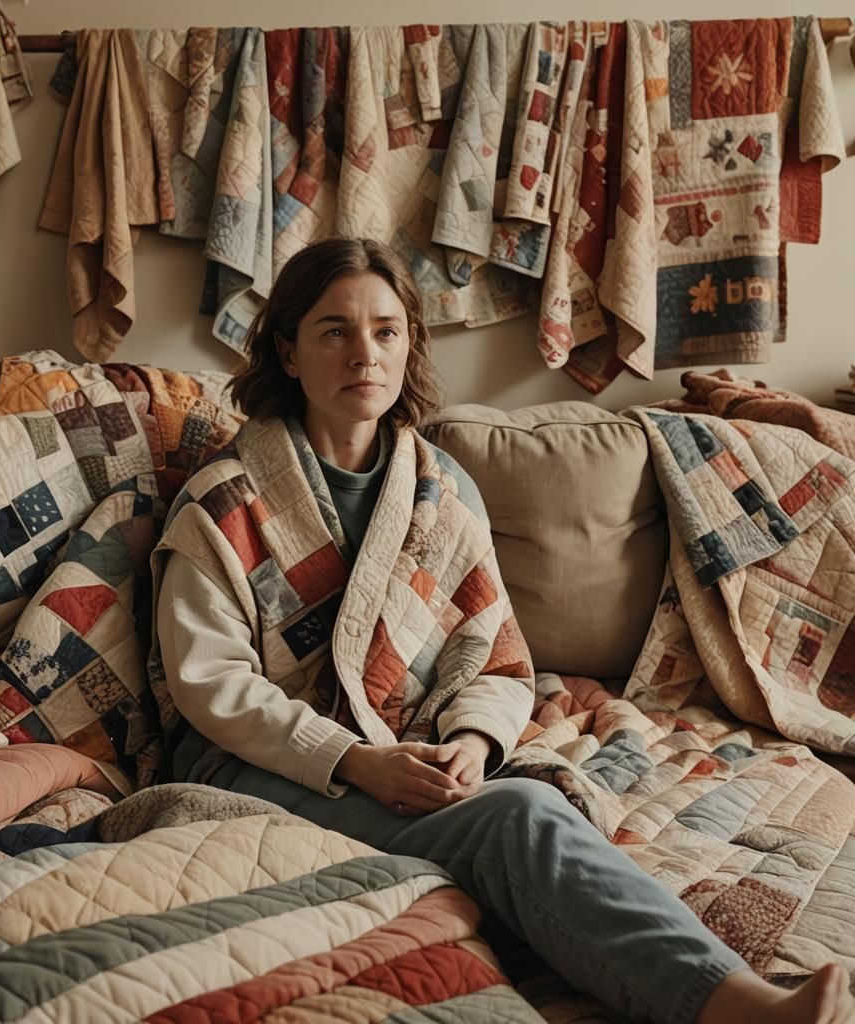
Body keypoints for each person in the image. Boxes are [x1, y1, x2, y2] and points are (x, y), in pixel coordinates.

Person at [154, 237, 853, 1024]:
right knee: (517, 816)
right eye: (333, 330)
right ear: (287, 349)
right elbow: (209, 682)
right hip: (257, 769)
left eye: (386, 330)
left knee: (517, 797)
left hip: (412, 756)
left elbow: (494, 656)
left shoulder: (439, 491)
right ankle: (736, 1008)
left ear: (410, 343)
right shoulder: (226, 500)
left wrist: (476, 744)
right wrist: (357, 760)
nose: (365, 353)